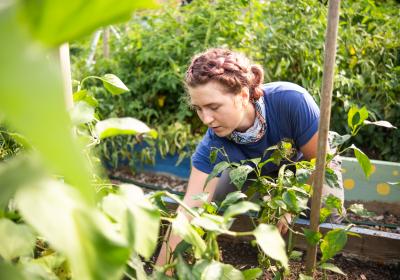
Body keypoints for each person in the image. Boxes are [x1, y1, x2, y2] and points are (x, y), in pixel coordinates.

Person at [156, 48, 344, 267]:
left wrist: (290, 206)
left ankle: (321, 259)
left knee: (329, 209)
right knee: (211, 196)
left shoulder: (291, 100)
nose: (206, 119)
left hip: (304, 167)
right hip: (257, 174)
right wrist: (161, 271)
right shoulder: (213, 144)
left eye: (214, 107)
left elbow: (321, 164)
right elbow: (189, 207)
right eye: (198, 109)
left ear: (243, 95)